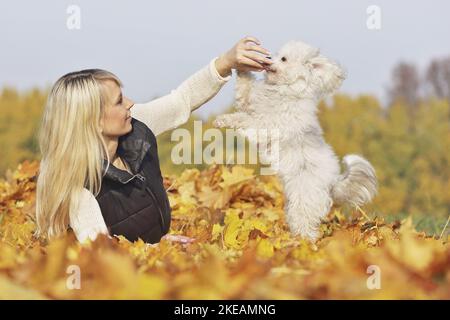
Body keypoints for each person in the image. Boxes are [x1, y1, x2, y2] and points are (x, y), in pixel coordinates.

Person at [35, 36, 273, 244]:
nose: (129, 103)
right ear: (94, 120)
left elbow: (182, 100)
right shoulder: (74, 184)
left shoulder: (133, 125)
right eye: (119, 101)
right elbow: (99, 250)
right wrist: (156, 249)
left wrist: (227, 62)